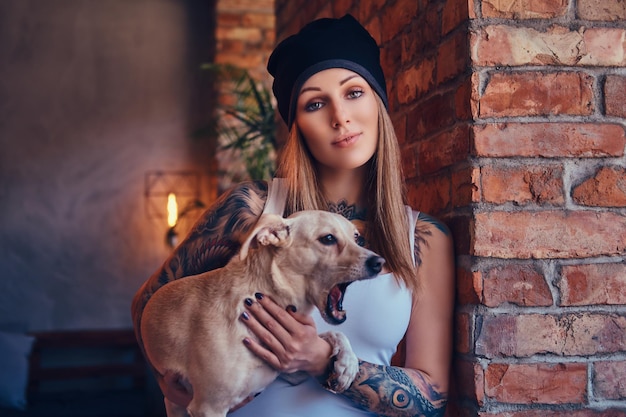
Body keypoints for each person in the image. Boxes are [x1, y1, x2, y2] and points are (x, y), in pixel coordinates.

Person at [131, 13, 455, 417]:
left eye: (354, 92)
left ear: (378, 100)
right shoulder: (250, 209)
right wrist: (177, 385)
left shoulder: (421, 238)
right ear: (297, 124)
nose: (340, 117)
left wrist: (322, 360)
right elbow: (149, 303)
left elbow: (433, 400)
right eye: (315, 103)